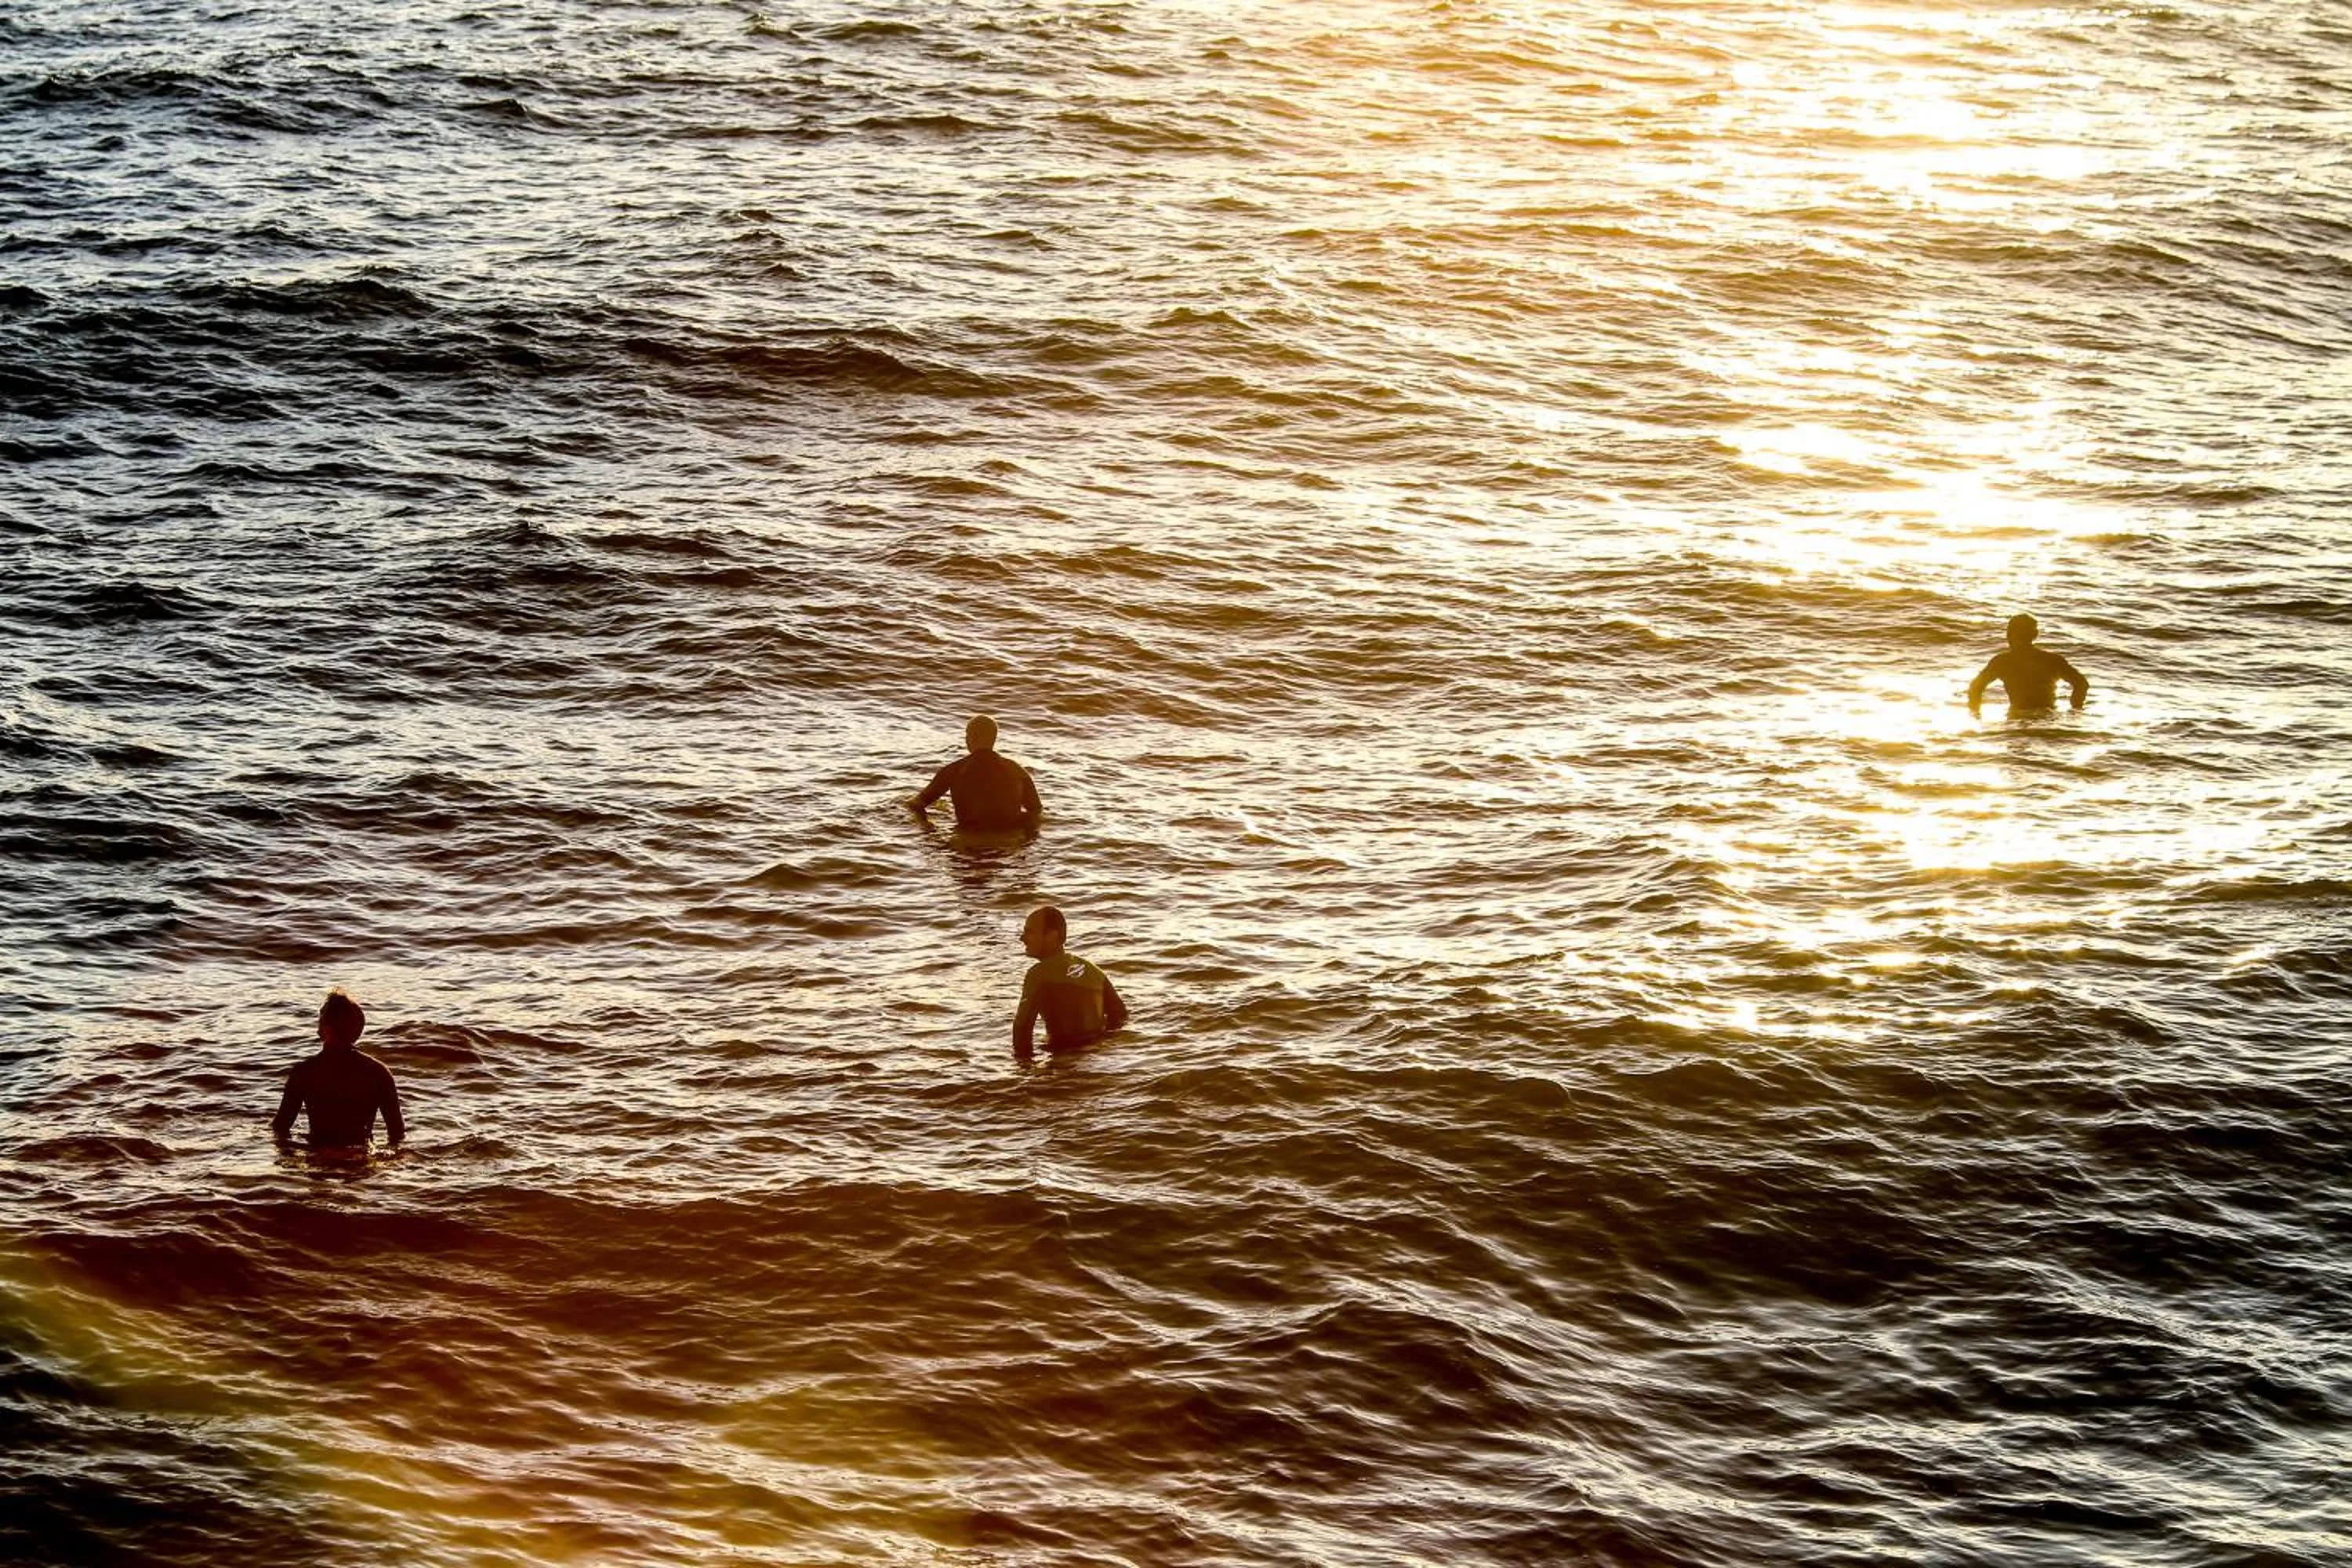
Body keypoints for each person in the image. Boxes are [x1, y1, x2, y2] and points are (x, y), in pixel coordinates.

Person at [272, 989, 404, 1152]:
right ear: (358, 1031)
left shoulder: (304, 1072)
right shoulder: (378, 1073)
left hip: (318, 1159)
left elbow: (281, 1129)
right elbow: (397, 1134)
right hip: (360, 1161)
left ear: (324, 1026)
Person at [1012, 905, 1127, 1066]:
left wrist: (1024, 1071)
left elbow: (1022, 1029)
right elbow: (1120, 1017)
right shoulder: (1094, 971)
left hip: (1063, 1062)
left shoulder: (1038, 974)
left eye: (1030, 932)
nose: (1022, 938)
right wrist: (1099, 1046)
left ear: (1052, 936)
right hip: (1095, 1061)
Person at [909, 715, 1041, 833]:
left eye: (967, 735)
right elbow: (1036, 810)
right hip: (1007, 842)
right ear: (994, 739)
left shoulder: (954, 770)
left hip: (968, 840)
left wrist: (929, 830)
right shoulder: (1017, 770)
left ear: (972, 737)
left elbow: (916, 804)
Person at [1969, 613, 2089, 717]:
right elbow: (2081, 683)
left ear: (2010, 635)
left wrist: (1976, 714)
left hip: (2018, 717)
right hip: (2048, 717)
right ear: (2035, 635)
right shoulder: (2052, 660)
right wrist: (2075, 711)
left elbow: (1976, 687)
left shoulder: (2003, 661)